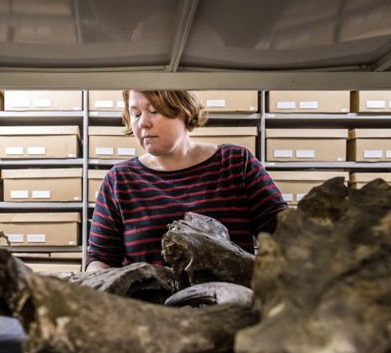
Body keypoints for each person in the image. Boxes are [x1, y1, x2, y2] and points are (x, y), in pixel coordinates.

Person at [86, 90, 287, 272]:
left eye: (154, 111)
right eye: (136, 114)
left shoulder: (236, 163)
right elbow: (100, 260)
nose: (142, 123)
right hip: (147, 309)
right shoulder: (119, 179)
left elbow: (287, 237)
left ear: (183, 109)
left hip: (227, 307)